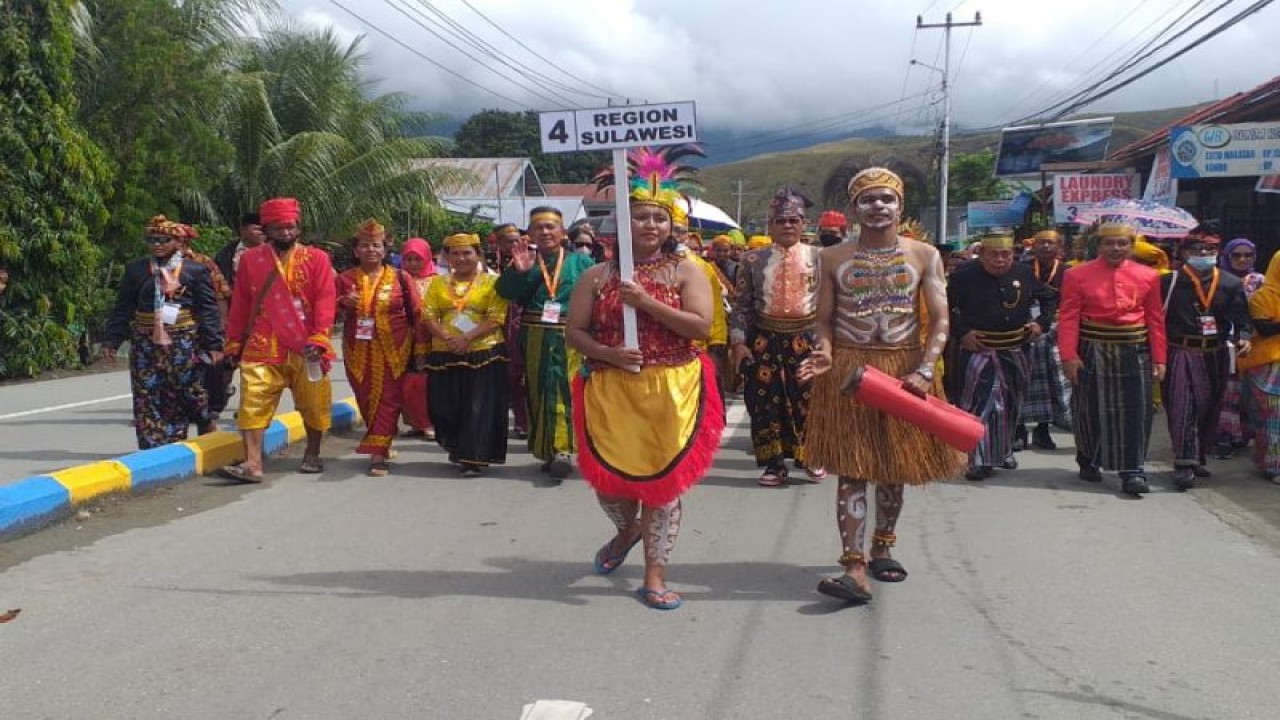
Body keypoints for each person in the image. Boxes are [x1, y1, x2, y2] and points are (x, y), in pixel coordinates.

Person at [566, 148, 723, 611]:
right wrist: (608, 353)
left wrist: (647, 303)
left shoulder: (687, 270)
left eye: (659, 217)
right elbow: (575, 332)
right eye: (640, 217)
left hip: (672, 388)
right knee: (610, 485)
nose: (651, 225)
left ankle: (655, 574)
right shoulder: (596, 276)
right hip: (611, 388)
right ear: (622, 223)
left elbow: (700, 327)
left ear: (671, 226)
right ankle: (626, 530)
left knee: (663, 486)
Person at [804, 167, 965, 604]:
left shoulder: (924, 254)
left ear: (900, 206)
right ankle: (853, 566)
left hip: (904, 369)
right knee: (852, 468)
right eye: (868, 199)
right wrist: (823, 352)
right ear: (855, 208)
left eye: (886, 199)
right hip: (849, 371)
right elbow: (822, 320)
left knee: (895, 466)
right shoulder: (831, 257)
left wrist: (925, 370)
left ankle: (883, 547)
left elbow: (941, 320)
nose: (878, 206)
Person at [218, 197, 336, 483]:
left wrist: (320, 337)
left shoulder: (317, 258)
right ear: (267, 230)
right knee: (252, 401)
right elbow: (241, 304)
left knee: (313, 402)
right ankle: (253, 463)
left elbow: (325, 299)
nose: (285, 233)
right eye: (278, 228)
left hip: (306, 343)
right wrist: (233, 342)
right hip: (262, 342)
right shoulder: (251, 260)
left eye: (290, 227)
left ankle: (313, 453)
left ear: (298, 227)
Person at [1058, 223, 1167, 496]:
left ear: (1131, 245)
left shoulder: (1149, 276)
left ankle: (1133, 470)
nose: (1115, 249)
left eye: (1122, 243)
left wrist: (1160, 358)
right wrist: (1069, 356)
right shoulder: (1076, 274)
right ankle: (1088, 456)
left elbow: (1155, 318)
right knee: (1089, 407)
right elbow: (1069, 317)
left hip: (1134, 349)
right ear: (1098, 245)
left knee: (1137, 410)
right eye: (1109, 243)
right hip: (1092, 348)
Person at [101, 215, 223, 449]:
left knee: (187, 390)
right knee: (147, 391)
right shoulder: (136, 270)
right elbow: (123, 307)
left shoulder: (195, 270)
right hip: (145, 341)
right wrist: (112, 339)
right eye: (152, 240)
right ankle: (154, 446)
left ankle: (202, 428)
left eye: (164, 240)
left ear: (177, 242)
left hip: (184, 340)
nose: (157, 244)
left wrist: (214, 344)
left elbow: (208, 309)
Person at [730, 185, 825, 486]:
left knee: (809, 400)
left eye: (793, 220)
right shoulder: (751, 260)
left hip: (806, 339)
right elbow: (741, 305)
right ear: (770, 225)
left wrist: (827, 345)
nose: (787, 225)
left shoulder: (821, 258)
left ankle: (811, 456)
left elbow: (829, 306)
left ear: (803, 223)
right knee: (764, 403)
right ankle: (774, 464)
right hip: (763, 340)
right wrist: (738, 343)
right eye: (780, 221)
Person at [948, 231, 1058, 480]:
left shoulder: (1023, 273)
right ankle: (979, 459)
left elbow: (1049, 298)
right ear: (982, 255)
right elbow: (944, 306)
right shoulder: (964, 275)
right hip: (979, 350)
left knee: (1010, 403)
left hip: (1016, 350)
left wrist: (1041, 323)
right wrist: (962, 332)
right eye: (993, 255)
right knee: (982, 403)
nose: (1000, 260)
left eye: (1005, 254)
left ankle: (1003, 449)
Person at [495, 207, 595, 481]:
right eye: (539, 227)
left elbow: (597, 296)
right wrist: (518, 273)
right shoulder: (526, 261)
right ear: (530, 233)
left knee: (566, 388)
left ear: (562, 232)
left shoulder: (581, 263)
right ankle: (548, 449)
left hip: (570, 334)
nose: (545, 232)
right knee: (538, 389)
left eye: (551, 226)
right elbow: (504, 293)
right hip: (535, 334)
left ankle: (563, 449)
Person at [1159, 233, 1251, 489]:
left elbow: (1242, 318)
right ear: (1185, 253)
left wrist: (1243, 338)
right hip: (1180, 351)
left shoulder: (1230, 283)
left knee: (1210, 407)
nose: (1203, 254)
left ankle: (1198, 455)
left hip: (1216, 352)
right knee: (1182, 406)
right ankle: (1184, 463)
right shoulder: (1169, 282)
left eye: (1209, 249)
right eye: (1197, 249)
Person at [335, 219, 422, 477]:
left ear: (384, 250)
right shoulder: (344, 279)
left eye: (376, 245)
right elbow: (330, 313)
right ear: (355, 250)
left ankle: (378, 454)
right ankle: (382, 438)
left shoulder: (401, 277)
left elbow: (418, 313)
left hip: (395, 349)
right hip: (357, 350)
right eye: (364, 245)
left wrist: (421, 349)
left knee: (388, 399)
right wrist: (344, 302)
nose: (370, 250)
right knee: (365, 398)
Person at [422, 233, 510, 477]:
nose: (461, 258)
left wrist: (466, 338)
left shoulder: (492, 283)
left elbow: (496, 317)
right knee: (443, 406)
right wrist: (448, 338)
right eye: (455, 254)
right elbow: (428, 315)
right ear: (447, 257)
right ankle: (456, 446)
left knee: (478, 407)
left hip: (483, 351)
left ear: (478, 255)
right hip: (445, 351)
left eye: (467, 253)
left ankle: (474, 458)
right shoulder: (438, 283)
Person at [173, 223, 235, 430]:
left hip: (199, 328)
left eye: (173, 239)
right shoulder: (151, 266)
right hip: (165, 331)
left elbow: (220, 295)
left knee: (207, 370)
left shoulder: (202, 263)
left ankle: (209, 412)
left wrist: (221, 326)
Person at [1017, 229, 1072, 451]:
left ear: (1059, 247)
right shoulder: (1022, 269)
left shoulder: (1068, 272)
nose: (1046, 247)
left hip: (1057, 330)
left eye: (1050, 243)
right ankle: (1019, 429)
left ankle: (1043, 429)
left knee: (1051, 381)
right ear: (1034, 246)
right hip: (1027, 328)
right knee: (1023, 378)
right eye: (1041, 243)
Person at [1216, 237, 1266, 456]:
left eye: (1248, 255)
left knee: (1250, 393)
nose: (1242, 259)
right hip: (1224, 341)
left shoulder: (1260, 281)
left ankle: (1246, 434)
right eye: (1236, 255)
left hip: (1255, 343)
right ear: (1227, 256)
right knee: (1227, 392)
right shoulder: (1217, 279)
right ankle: (1224, 436)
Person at [1240, 252, 1280, 483]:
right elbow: (1264, 329)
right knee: (1274, 418)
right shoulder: (1263, 296)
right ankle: (1274, 465)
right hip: (1270, 365)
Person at [491, 223, 530, 439]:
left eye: (517, 240)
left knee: (524, 373)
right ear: (498, 243)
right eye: (509, 241)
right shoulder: (488, 262)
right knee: (508, 375)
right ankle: (518, 420)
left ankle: (528, 419)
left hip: (522, 318)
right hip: (497, 321)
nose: (514, 244)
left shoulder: (530, 259)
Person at [398, 237, 437, 441]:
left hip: (432, 339)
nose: (413, 264)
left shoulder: (438, 282)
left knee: (426, 382)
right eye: (408, 259)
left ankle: (429, 422)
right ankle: (415, 422)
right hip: (401, 338)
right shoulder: (395, 280)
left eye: (417, 259)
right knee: (406, 382)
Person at [214, 213, 266, 289]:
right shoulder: (225, 254)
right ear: (242, 230)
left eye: (264, 230)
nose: (262, 233)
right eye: (257, 229)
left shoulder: (274, 252)